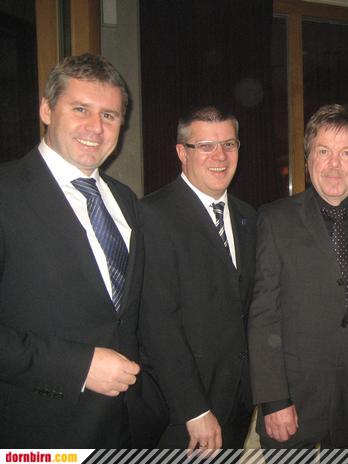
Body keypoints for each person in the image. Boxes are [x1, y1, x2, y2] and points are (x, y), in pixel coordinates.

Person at [0, 53, 165, 447]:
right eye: (80, 109)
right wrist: (78, 366)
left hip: (130, 428)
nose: (96, 127)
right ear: (46, 110)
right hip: (41, 435)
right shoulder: (6, 193)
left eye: (109, 115)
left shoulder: (125, 200)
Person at [248, 104, 348, 449]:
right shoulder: (275, 220)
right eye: (323, 152)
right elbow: (263, 315)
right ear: (308, 160)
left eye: (346, 153)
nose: (334, 165)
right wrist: (273, 398)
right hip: (293, 400)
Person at [140, 106, 256, 452]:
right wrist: (194, 409)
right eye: (206, 146)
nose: (220, 156)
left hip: (238, 401)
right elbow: (158, 325)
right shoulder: (152, 216)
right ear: (182, 152)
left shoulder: (248, 217)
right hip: (185, 412)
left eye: (229, 144)